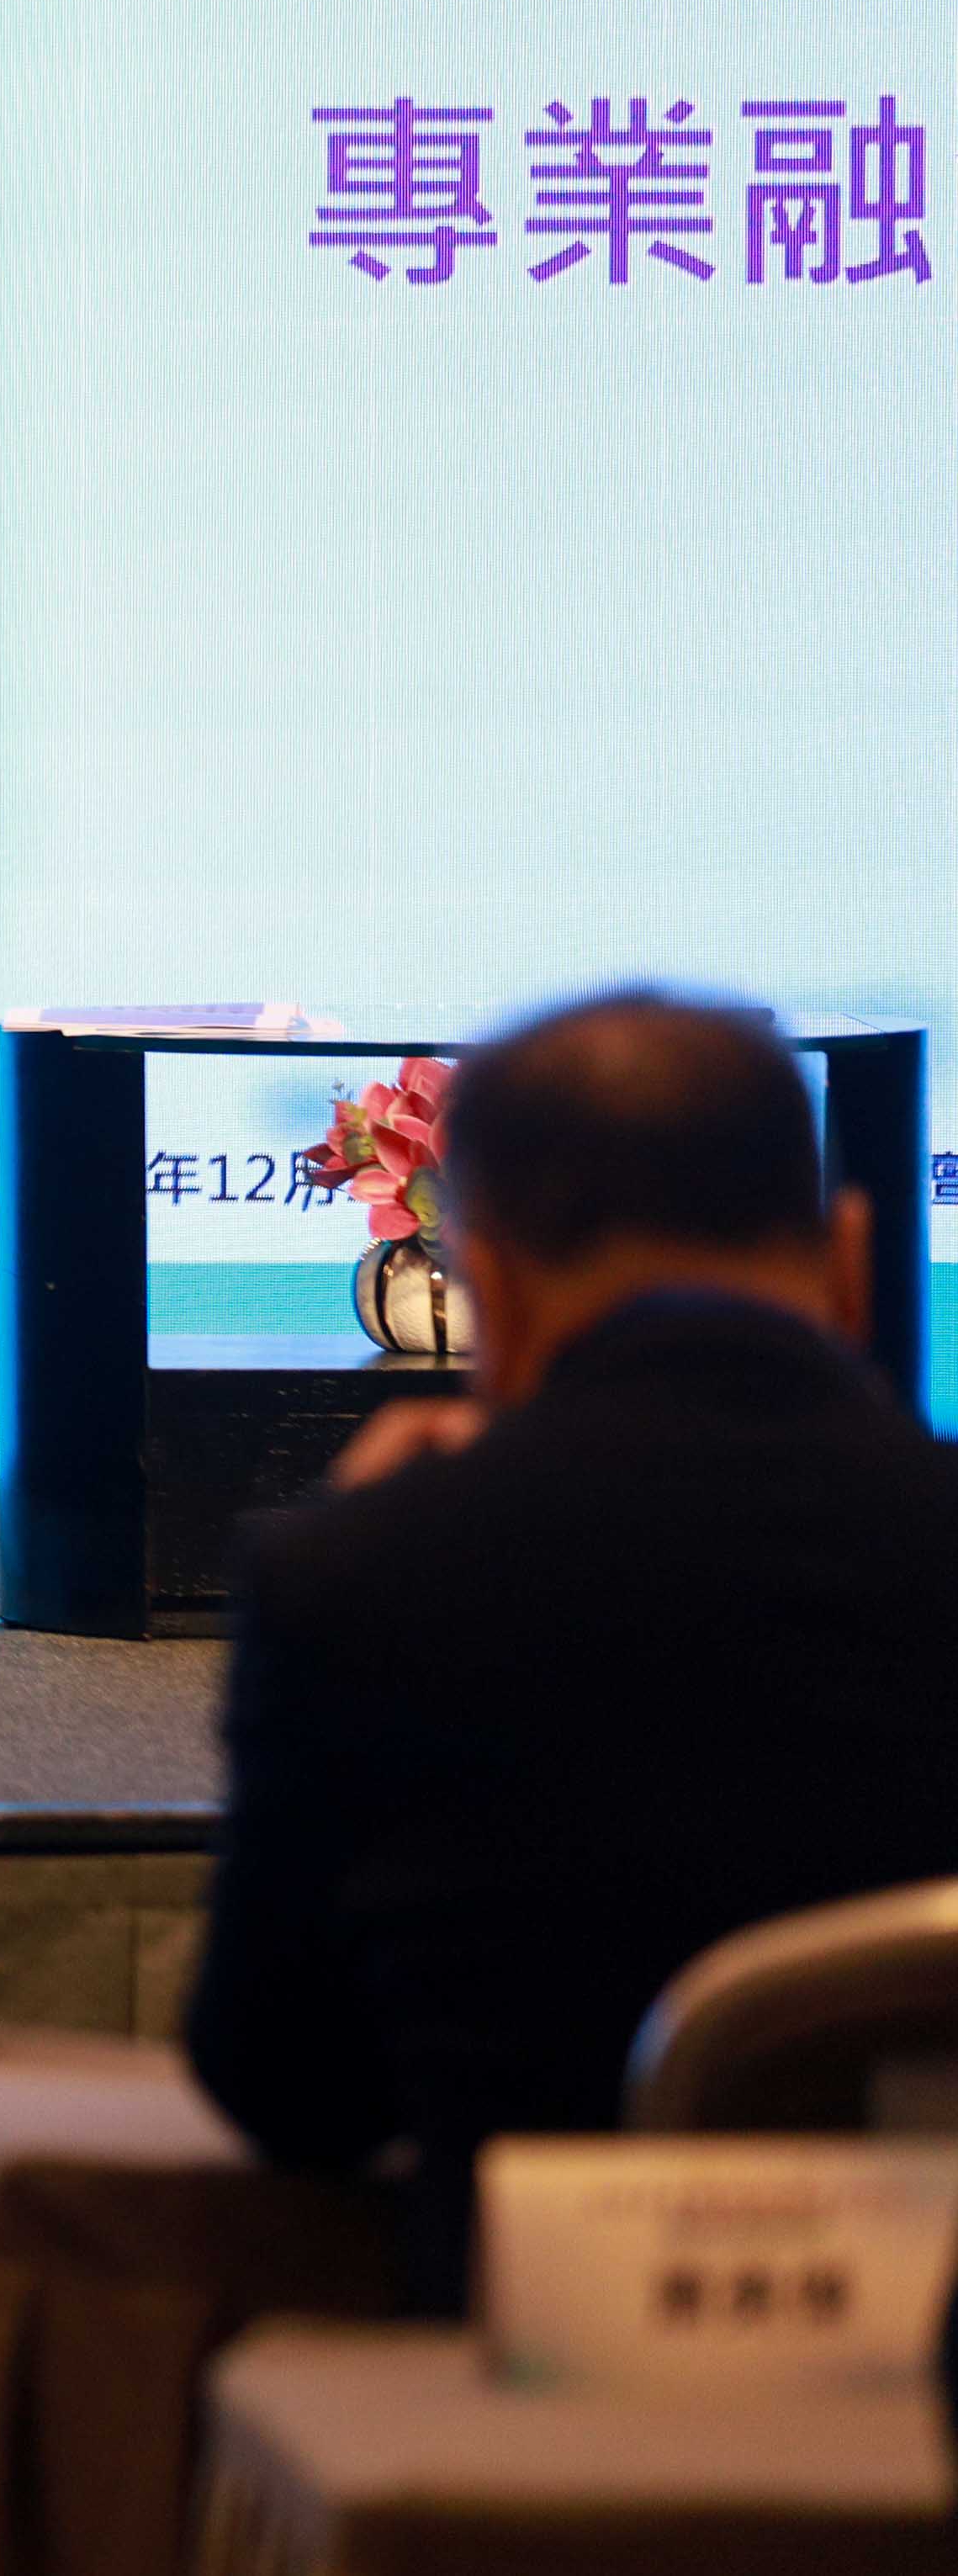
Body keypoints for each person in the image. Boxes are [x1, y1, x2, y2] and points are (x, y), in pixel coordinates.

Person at [188, 988, 958, 2308]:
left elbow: (288, 2090)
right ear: (850, 1257)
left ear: (484, 1284)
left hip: (522, 2373)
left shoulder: (355, 1574)